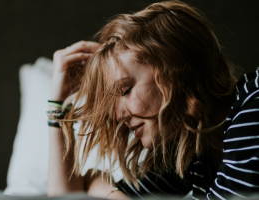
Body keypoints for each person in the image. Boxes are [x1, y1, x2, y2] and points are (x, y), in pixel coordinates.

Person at [47, 1, 259, 199]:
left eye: (126, 90)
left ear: (174, 71)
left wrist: (106, 191)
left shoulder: (254, 103)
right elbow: (72, 195)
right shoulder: (193, 143)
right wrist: (58, 106)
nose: (116, 114)